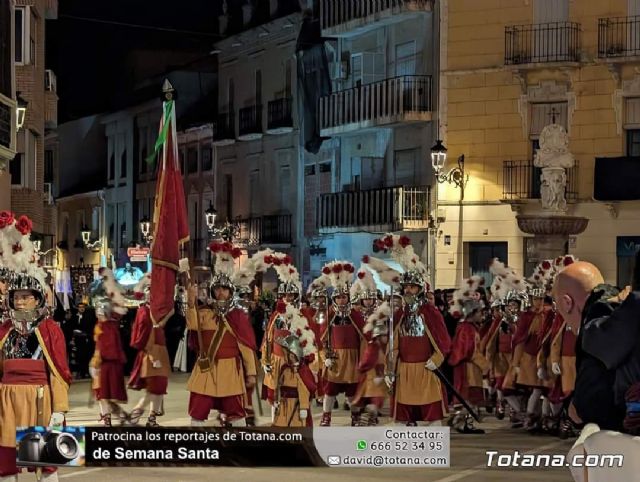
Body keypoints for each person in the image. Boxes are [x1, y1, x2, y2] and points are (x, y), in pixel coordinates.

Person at [0, 213, 72, 482]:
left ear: (37, 298)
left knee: (46, 462)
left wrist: (59, 410)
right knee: (5, 462)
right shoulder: (4, 330)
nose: (20, 302)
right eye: (16, 297)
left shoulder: (49, 330)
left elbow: (59, 372)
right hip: (6, 401)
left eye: (25, 297)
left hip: (39, 399)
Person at [369, 234, 451, 426]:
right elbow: (393, 345)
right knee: (402, 419)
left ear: (420, 289)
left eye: (413, 287)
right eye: (406, 287)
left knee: (434, 418)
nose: (408, 291)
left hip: (426, 370)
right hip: (404, 373)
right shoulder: (399, 315)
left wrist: (437, 359)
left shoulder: (430, 313)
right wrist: (390, 370)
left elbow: (443, 341)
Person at [186, 241, 257, 427]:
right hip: (206, 368)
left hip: (230, 370)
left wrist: (251, 372)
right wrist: (191, 302)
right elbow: (192, 325)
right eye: (217, 289)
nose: (220, 293)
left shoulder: (238, 316)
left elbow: (246, 347)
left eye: (224, 289)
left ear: (231, 291)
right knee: (198, 409)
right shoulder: (204, 311)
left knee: (236, 412)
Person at [317, 260, 365, 426]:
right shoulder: (330, 315)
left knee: (352, 392)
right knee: (330, 391)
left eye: (344, 297)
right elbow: (321, 338)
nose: (341, 300)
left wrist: (362, 359)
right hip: (335, 358)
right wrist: (325, 357)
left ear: (348, 298)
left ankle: (355, 416)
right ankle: (326, 416)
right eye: (338, 297)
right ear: (334, 299)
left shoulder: (356, 315)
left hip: (352, 359)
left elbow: (364, 339)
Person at [448, 276, 490, 434]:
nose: (482, 315)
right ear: (472, 312)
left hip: (469, 368)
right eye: (479, 312)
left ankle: (464, 422)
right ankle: (463, 422)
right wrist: (484, 364)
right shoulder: (467, 328)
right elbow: (469, 351)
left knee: (469, 397)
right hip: (468, 369)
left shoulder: (469, 327)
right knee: (468, 397)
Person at [128, 274, 170, 427]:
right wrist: (152, 355)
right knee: (154, 388)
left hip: (160, 352)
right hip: (150, 353)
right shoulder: (144, 312)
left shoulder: (156, 311)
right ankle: (135, 415)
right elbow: (142, 335)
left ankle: (151, 419)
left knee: (160, 387)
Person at [89, 268, 129, 427]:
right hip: (101, 362)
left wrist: (97, 362)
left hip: (107, 363)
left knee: (105, 393)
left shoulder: (109, 326)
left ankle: (111, 417)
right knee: (101, 393)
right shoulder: (101, 325)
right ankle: (108, 417)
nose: (98, 314)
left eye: (100, 311)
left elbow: (107, 347)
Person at [350, 263, 387, 426]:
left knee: (376, 381)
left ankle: (372, 410)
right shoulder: (356, 313)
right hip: (360, 350)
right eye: (365, 298)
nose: (368, 301)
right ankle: (363, 411)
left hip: (376, 351)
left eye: (371, 298)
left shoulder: (380, 314)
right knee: (362, 382)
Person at [270, 308, 317, 427]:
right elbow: (278, 384)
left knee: (296, 425)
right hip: (284, 403)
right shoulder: (284, 369)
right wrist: (276, 399)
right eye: (287, 354)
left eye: (291, 354)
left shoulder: (300, 371)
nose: (289, 357)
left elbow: (304, 390)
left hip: (296, 405)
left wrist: (304, 408)